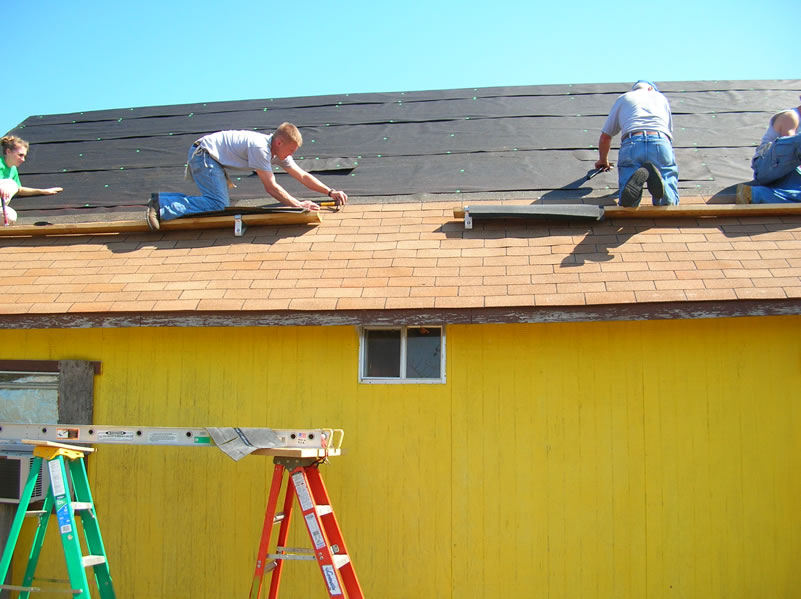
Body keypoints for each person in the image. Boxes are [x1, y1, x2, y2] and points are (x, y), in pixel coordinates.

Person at [147, 123, 348, 230]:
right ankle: (162, 206)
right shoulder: (260, 148)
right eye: (291, 150)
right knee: (217, 204)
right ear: (279, 143)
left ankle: (162, 200)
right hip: (204, 155)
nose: (291, 155)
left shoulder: (276, 151)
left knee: (217, 203)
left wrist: (330, 192)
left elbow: (302, 175)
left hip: (211, 156)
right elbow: (271, 187)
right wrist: (299, 205)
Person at [595, 80, 679, 207]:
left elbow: (605, 138)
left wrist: (603, 161)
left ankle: (630, 202)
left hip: (632, 141)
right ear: (650, 88)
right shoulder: (660, 98)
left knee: (628, 180)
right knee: (666, 172)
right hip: (660, 140)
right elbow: (668, 132)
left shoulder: (624, 98)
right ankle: (665, 193)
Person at [737, 96, 801, 204]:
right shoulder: (791, 116)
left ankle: (756, 195)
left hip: (786, 173)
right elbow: (791, 148)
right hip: (767, 165)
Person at [0, 135, 63, 224]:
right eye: (20, 155)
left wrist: (42, 191)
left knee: (10, 216)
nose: (23, 159)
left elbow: (19, 189)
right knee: (11, 183)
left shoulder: (13, 169)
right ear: (8, 151)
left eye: (24, 156)